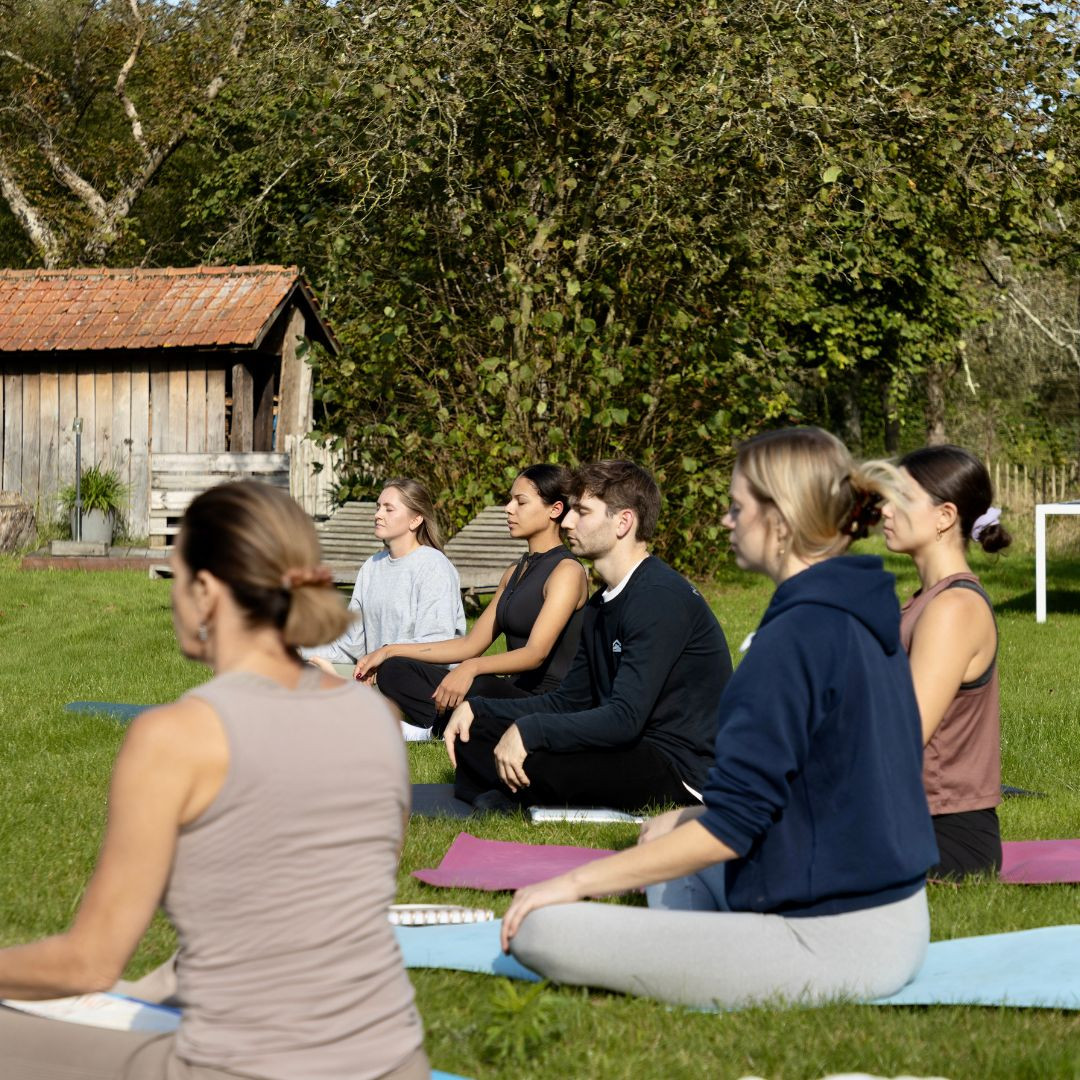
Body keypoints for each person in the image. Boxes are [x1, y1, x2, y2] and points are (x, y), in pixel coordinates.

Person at [0, 481, 429, 1080]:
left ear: (205, 591)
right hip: (393, 1061)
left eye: (177, 577)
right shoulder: (378, 718)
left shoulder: (176, 737)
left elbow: (89, 963)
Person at [498, 428, 937, 1010]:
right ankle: (705, 945)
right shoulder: (859, 611)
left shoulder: (794, 640)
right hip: (895, 912)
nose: (726, 522)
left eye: (736, 508)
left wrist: (573, 883)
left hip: (833, 939)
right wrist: (686, 819)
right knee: (664, 834)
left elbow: (732, 826)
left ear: (780, 520)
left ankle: (710, 954)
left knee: (539, 929)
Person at [446, 459, 733, 812]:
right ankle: (511, 790)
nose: (566, 521)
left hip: (675, 764)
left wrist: (531, 731)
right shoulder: (600, 604)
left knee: (538, 755)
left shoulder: (659, 597)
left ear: (623, 522)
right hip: (627, 742)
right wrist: (480, 708)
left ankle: (508, 789)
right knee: (477, 729)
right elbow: (570, 700)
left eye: (582, 511)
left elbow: (625, 719)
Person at [356, 465, 589, 738]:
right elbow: (470, 645)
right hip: (509, 692)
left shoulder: (567, 572)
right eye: (510, 500)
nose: (509, 508)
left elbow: (535, 653)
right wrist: (390, 650)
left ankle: (440, 727)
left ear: (555, 510)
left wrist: (472, 667)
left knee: (477, 685)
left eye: (520, 501)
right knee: (394, 670)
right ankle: (443, 728)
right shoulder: (515, 572)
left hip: (548, 703)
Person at [879, 444, 1011, 879]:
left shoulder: (953, 608)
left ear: (945, 516)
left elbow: (901, 735)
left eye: (900, 499)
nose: (884, 510)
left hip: (943, 836)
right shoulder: (925, 602)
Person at [303, 478, 464, 676]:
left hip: (420, 684)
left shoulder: (434, 566)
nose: (378, 515)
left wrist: (382, 659)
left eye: (389, 509)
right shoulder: (371, 567)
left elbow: (435, 643)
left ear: (416, 519)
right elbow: (351, 645)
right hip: (375, 675)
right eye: (378, 507)